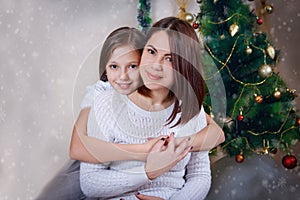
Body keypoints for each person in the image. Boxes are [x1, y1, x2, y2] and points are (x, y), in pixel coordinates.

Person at [37, 23, 224, 199]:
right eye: (152, 52)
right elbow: (80, 154)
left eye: (169, 58)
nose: (155, 65)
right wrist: (147, 167)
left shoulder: (190, 108)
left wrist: (178, 145)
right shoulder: (103, 98)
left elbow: (201, 170)